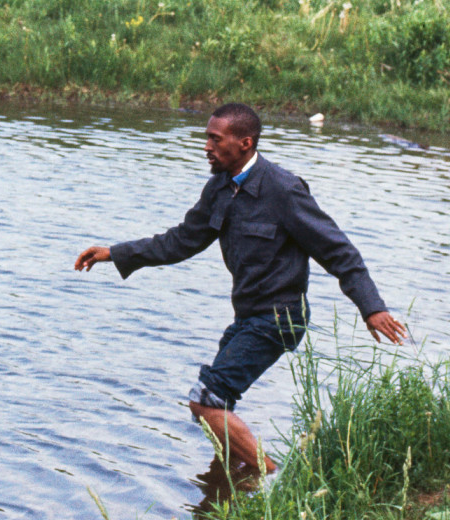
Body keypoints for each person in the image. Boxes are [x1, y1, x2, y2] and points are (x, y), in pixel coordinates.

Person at [74, 103, 407, 474]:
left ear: (245, 142)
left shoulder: (283, 189)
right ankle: (229, 489)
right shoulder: (219, 187)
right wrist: (115, 253)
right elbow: (182, 240)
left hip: (278, 318)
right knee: (219, 409)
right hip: (247, 317)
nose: (207, 147)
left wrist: (371, 307)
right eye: (207, 138)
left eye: (215, 139)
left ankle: (272, 476)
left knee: (206, 402)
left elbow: (338, 251)